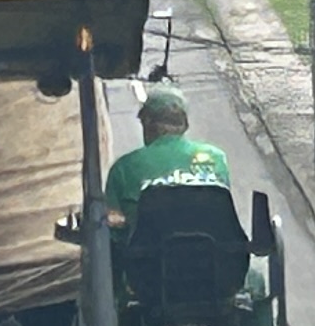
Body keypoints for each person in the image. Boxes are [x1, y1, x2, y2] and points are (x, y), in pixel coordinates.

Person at [97, 80, 233, 226]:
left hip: (147, 247)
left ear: (147, 122)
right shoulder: (216, 158)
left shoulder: (123, 167)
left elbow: (112, 226)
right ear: (185, 125)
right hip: (211, 247)